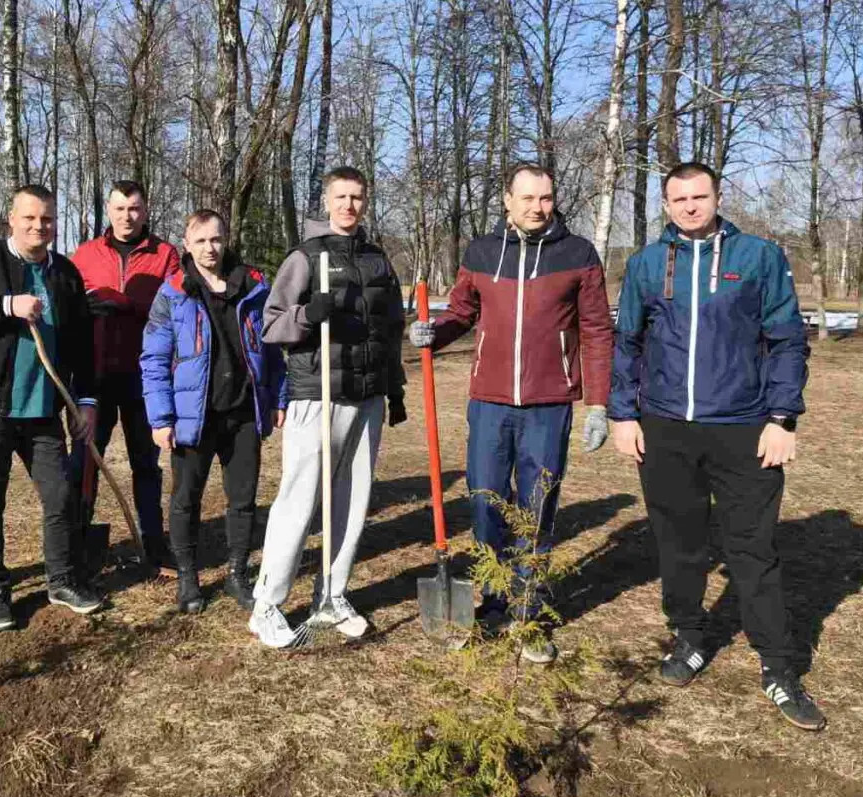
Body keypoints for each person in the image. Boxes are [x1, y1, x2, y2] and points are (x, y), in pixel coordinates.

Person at [608, 161, 822, 730]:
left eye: (698, 196)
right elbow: (627, 343)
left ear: (717, 196)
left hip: (744, 428)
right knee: (679, 542)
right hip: (665, 428)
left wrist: (782, 418)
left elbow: (786, 340)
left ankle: (779, 666)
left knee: (752, 548)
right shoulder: (649, 264)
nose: (689, 207)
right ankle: (689, 637)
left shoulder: (757, 258)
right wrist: (622, 414)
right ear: (667, 204)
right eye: (678, 199)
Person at [408, 163, 613, 663]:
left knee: (536, 508)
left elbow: (596, 330)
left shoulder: (577, 253)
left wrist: (599, 405)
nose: (537, 208)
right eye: (527, 198)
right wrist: (433, 332)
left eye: (545, 198)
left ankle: (528, 607)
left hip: (548, 404)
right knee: (484, 503)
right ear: (507, 200)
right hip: (491, 403)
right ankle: (494, 598)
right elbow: (461, 311)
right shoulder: (482, 252)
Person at [248, 166, 406, 649]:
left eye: (357, 197)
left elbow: (392, 329)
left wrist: (394, 388)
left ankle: (332, 595)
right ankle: (267, 604)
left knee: (353, 501)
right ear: (326, 200)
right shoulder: (304, 257)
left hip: (367, 397)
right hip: (316, 395)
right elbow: (269, 325)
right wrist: (305, 316)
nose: (349, 206)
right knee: (299, 499)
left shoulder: (379, 260)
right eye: (341, 196)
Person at [0, 184, 102, 632]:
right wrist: (5, 305)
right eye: (29, 218)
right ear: (11, 218)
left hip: (43, 410)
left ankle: (61, 579)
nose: (38, 227)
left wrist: (84, 401)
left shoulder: (64, 274)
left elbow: (82, 345)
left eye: (46, 219)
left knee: (60, 495)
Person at [139, 209, 287, 614]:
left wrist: (278, 397)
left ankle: (239, 574)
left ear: (227, 239)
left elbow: (273, 348)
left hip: (243, 411)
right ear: (186, 244)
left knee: (243, 499)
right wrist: (161, 417)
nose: (210, 248)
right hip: (194, 417)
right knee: (186, 499)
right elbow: (154, 359)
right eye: (201, 240)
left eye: (216, 239)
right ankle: (188, 577)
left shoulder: (254, 286)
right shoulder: (172, 292)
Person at [70, 180, 179, 574]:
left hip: (143, 378)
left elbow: (172, 308)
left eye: (134, 208)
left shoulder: (165, 255)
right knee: (85, 460)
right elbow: (69, 308)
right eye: (119, 208)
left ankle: (154, 542)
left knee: (145, 464)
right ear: (108, 210)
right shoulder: (85, 255)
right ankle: (79, 542)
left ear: (145, 210)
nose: (126, 216)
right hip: (94, 377)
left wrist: (125, 303)